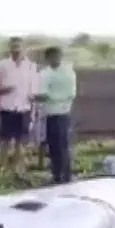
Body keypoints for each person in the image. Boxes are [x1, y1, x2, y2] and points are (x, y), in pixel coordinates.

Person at [0, 36, 39, 175]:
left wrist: (33, 100)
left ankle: (17, 170)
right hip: (7, 107)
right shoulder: (1, 65)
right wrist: (3, 89)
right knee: (5, 140)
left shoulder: (31, 66)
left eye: (19, 47)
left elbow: (34, 87)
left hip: (23, 107)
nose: (16, 50)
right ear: (9, 48)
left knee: (20, 141)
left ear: (24, 49)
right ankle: (2, 169)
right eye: (14, 47)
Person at [34, 46, 78, 184]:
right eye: (52, 57)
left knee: (62, 146)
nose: (55, 59)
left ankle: (65, 176)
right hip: (49, 114)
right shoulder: (45, 73)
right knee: (53, 146)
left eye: (57, 56)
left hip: (62, 113)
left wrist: (48, 97)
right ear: (47, 59)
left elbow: (71, 94)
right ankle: (56, 175)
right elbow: (41, 91)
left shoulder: (68, 73)